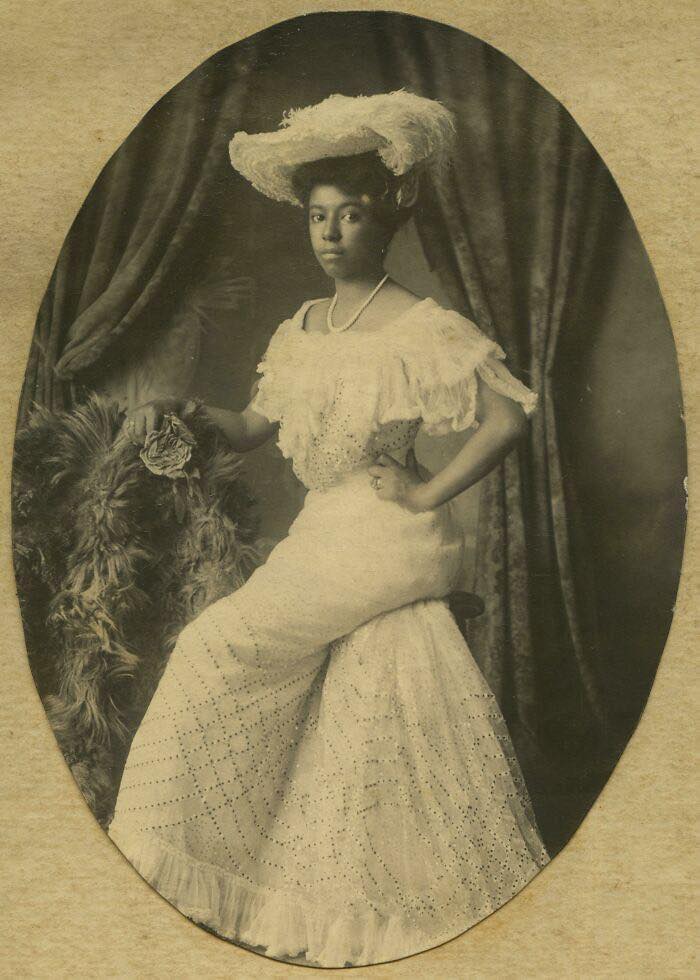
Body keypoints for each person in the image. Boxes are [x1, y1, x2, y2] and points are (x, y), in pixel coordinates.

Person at [108, 90, 549, 968]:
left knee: (215, 646)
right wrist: (180, 411)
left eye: (351, 214)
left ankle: (153, 855)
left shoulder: (421, 324)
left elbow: (509, 417)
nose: (331, 233)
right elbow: (248, 427)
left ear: (388, 216)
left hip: (385, 535)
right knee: (257, 665)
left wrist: (427, 498)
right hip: (324, 532)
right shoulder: (302, 327)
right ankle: (243, 872)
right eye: (317, 217)